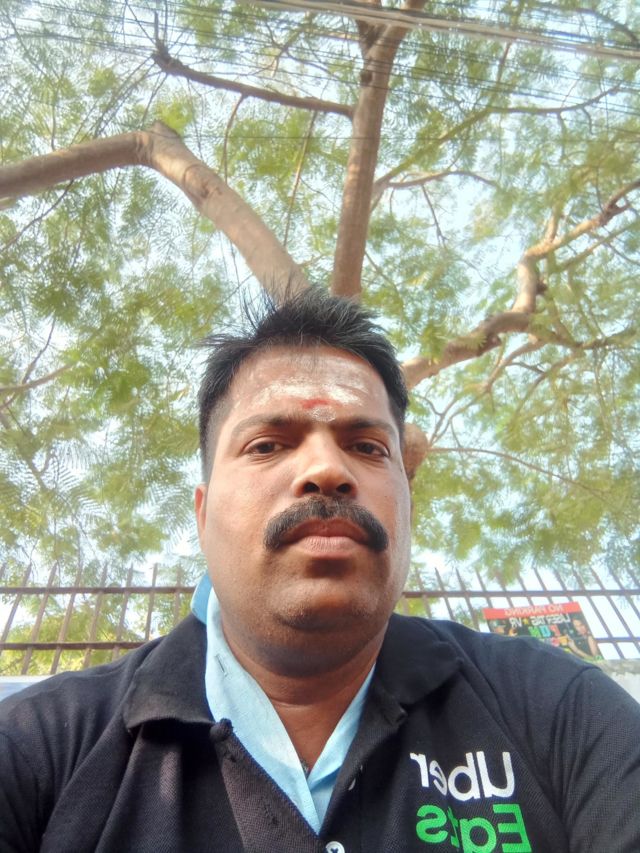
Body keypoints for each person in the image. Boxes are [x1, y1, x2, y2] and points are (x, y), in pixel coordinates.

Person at [1, 289, 639, 852]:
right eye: (267, 444)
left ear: (408, 504)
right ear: (202, 513)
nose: (328, 470)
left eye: (367, 447)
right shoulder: (39, 746)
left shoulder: (558, 709)